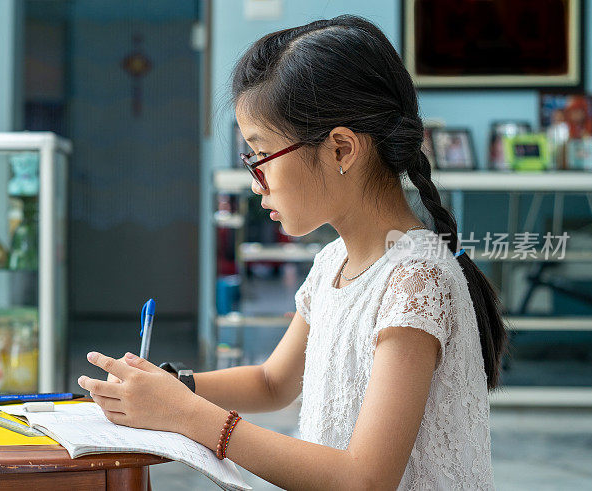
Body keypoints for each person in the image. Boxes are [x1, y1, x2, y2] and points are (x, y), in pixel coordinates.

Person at [78, 14, 506, 490]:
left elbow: (363, 480)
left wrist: (189, 416)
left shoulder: (416, 283)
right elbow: (272, 382)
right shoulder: (331, 265)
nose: (255, 179)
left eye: (261, 155)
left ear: (342, 150)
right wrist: (172, 387)